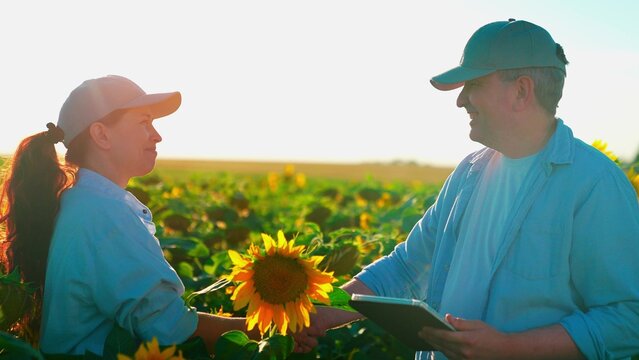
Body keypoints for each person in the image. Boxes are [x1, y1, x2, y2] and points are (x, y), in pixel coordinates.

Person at [293, 19, 639, 359]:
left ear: (521, 91)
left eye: (473, 85)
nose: (461, 101)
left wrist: (510, 349)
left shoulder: (594, 184)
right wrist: (326, 308)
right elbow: (404, 268)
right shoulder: (470, 172)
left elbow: (628, 319)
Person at [0, 75, 255, 356]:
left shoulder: (80, 203)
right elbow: (172, 330)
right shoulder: (105, 215)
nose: (157, 135)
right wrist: (281, 330)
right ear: (101, 135)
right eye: (144, 122)